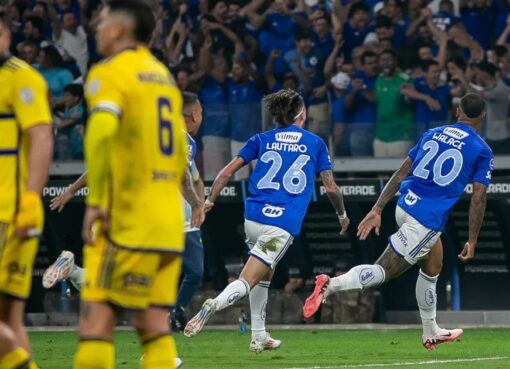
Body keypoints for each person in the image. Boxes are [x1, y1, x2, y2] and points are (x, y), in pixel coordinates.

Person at [304, 93, 493, 351]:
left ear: (458, 112)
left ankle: (431, 331)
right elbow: (479, 198)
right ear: (482, 115)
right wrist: (472, 240)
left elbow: (402, 171)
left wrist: (378, 208)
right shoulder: (482, 150)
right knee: (383, 271)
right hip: (425, 220)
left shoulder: (433, 133)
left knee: (434, 264)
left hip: (404, 205)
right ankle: (331, 285)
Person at [71, 2, 203, 369]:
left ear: (118, 29)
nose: (97, 25)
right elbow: (180, 155)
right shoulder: (163, 77)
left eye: (103, 19)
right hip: (166, 223)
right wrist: (195, 202)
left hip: (126, 218)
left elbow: (99, 135)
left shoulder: (110, 72)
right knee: (153, 325)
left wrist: (96, 200)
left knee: (97, 323)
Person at [183, 89, 350, 352]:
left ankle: (259, 335)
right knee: (248, 278)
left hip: (253, 218)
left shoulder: (261, 139)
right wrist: (342, 214)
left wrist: (210, 200)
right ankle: (214, 304)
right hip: (281, 225)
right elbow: (330, 188)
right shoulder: (315, 142)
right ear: (302, 114)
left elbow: (226, 172)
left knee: (265, 274)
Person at [0, 14, 53, 369]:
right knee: (8, 321)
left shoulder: (22, 78)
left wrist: (31, 199)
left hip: (8, 211)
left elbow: (40, 135)